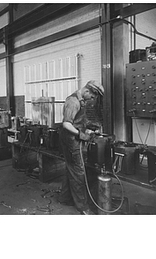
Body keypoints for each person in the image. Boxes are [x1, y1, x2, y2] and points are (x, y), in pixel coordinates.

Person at [58, 80, 104, 215]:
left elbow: (79, 120)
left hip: (74, 139)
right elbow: (67, 124)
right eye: (92, 97)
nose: (92, 100)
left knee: (71, 169)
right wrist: (81, 135)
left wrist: (90, 125)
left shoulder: (81, 101)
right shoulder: (73, 101)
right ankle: (82, 207)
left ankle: (65, 198)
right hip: (71, 141)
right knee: (78, 173)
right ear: (87, 91)